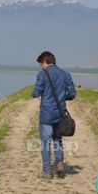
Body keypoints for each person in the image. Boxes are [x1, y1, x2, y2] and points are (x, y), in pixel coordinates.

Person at [31, 51, 76, 179]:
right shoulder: (65, 74)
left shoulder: (42, 74)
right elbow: (72, 94)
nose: (41, 66)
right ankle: (59, 163)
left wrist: (34, 94)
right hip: (60, 112)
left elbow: (37, 92)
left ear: (46, 61)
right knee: (57, 139)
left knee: (45, 142)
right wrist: (62, 98)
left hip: (46, 113)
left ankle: (47, 171)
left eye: (41, 64)